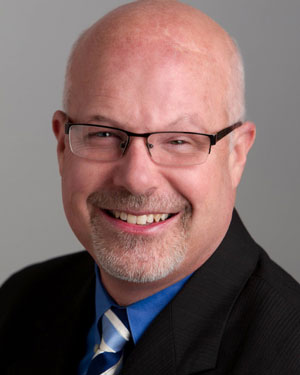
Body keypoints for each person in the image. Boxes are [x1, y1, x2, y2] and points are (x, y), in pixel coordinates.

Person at [1, 0, 299, 374]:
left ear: (236, 155)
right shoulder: (19, 304)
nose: (136, 178)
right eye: (105, 134)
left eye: (179, 140)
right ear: (62, 146)